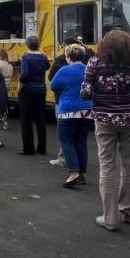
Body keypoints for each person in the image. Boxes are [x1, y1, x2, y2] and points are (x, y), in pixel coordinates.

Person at [81, 30, 130, 231]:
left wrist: (99, 90)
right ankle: (128, 211)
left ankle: (110, 218)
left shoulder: (95, 63)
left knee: (107, 167)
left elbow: (85, 92)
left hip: (104, 120)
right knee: (129, 166)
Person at [50, 44, 94, 188]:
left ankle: (74, 173)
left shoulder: (64, 70)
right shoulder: (89, 70)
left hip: (68, 110)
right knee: (81, 142)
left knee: (67, 141)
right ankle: (81, 172)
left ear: (68, 57)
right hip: (87, 110)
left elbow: (53, 86)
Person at [47, 37, 79, 167]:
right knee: (78, 132)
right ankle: (76, 157)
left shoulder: (60, 60)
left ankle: (63, 158)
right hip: (81, 101)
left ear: (65, 46)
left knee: (63, 131)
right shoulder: (83, 61)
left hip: (62, 100)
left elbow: (51, 79)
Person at [18, 36, 50, 155]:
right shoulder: (43, 57)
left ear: (27, 45)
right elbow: (47, 66)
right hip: (41, 89)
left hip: (28, 90)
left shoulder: (26, 58)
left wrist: (20, 85)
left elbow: (25, 74)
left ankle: (29, 149)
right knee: (40, 119)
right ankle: (42, 148)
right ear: (38, 45)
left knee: (26, 120)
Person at [0, 49, 13, 130]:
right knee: (4, 103)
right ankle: (5, 122)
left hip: (0, 84)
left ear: (1, 56)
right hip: (8, 84)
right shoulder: (10, 64)